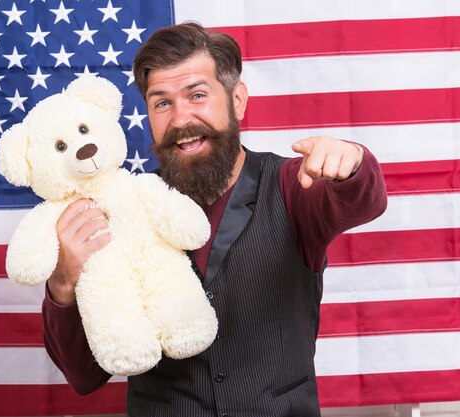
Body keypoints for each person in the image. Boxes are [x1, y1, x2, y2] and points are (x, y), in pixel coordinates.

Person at [42, 22, 387, 417]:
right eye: (162, 103)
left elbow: (364, 201)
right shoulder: (121, 207)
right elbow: (82, 375)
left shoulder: (292, 185)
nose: (180, 118)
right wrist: (64, 283)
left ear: (237, 100)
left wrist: (353, 162)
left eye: (198, 95)